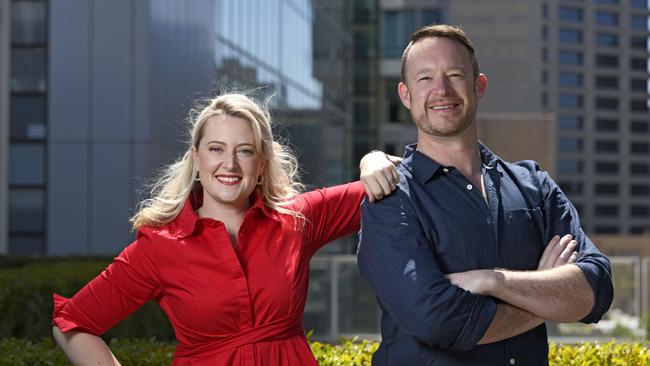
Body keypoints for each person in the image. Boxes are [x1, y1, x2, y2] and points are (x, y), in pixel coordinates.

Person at [52, 93, 400, 365]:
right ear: (197, 159)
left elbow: (399, 181)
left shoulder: (298, 220)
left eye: (244, 151)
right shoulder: (158, 247)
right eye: (216, 149)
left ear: (261, 164)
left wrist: (373, 159)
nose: (229, 164)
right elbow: (72, 322)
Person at [357, 24, 613, 365]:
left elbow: (597, 288)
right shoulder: (391, 197)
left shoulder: (533, 185)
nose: (441, 90)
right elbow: (437, 320)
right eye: (425, 79)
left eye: (454, 74)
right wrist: (546, 299)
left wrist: (491, 281)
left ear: (479, 85)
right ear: (405, 95)